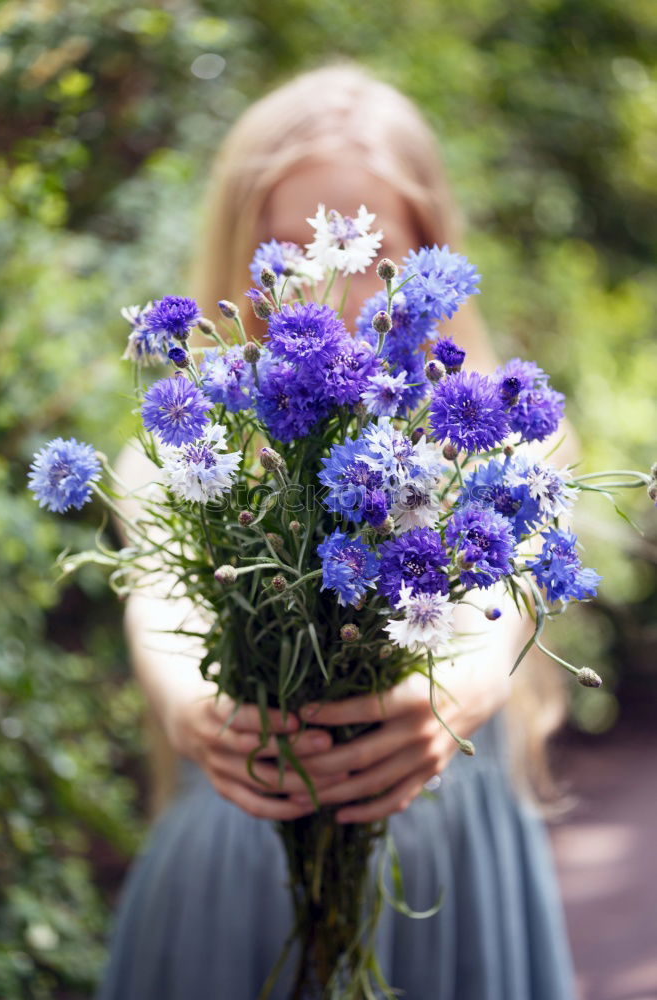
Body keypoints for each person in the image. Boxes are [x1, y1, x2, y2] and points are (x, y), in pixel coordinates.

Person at [97, 64, 577, 1000]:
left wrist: (464, 696)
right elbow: (154, 606)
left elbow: (502, 608)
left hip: (453, 859)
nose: (335, 291)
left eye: (374, 259)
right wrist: (194, 714)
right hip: (240, 858)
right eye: (288, 251)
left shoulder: (519, 433)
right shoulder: (180, 445)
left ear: (427, 261)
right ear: (244, 261)